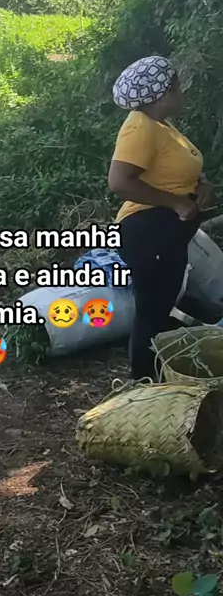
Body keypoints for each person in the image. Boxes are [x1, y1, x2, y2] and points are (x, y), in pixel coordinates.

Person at [108, 55, 213, 381]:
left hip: (165, 233)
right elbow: (119, 182)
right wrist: (175, 203)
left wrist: (200, 187)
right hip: (147, 231)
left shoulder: (161, 126)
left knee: (160, 308)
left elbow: (172, 173)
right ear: (161, 94)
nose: (182, 91)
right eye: (177, 86)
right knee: (152, 312)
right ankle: (142, 383)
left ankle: (154, 380)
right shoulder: (140, 126)